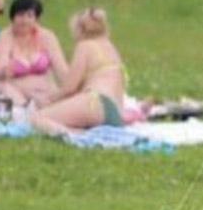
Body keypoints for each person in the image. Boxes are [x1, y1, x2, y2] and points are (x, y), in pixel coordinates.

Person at [29, 8, 129, 137]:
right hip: (116, 114)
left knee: (37, 119)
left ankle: (76, 137)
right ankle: (84, 134)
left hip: (96, 102)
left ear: (79, 30)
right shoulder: (110, 46)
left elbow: (70, 88)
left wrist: (48, 99)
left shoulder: (85, 46)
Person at [0, 0, 66, 107]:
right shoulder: (5, 37)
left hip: (45, 90)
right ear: (13, 17)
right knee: (0, 85)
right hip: (18, 91)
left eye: (30, 16)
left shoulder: (47, 36)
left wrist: (71, 89)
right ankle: (25, 110)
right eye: (20, 15)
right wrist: (8, 69)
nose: (24, 21)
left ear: (36, 19)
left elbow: (62, 70)